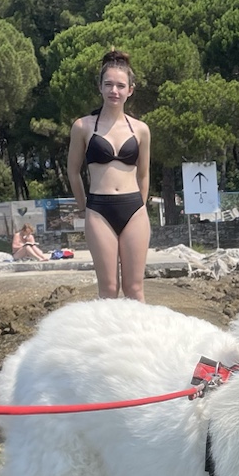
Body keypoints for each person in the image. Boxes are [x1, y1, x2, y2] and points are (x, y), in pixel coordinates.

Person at [67, 49, 152, 300]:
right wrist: (84, 207)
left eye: (120, 86)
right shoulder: (82, 126)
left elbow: (144, 174)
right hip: (98, 210)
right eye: (109, 84)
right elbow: (73, 171)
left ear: (130, 90)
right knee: (109, 288)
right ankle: (108, 328)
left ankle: (140, 328)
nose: (114, 90)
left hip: (133, 209)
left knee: (134, 288)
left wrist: (141, 206)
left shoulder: (141, 129)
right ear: (100, 87)